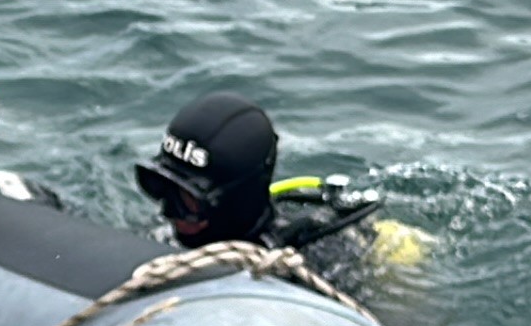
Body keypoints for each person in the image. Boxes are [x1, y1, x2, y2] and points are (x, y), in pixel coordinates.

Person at [134, 92, 384, 258]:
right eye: (160, 187)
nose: (167, 212)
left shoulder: (322, 256)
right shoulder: (160, 238)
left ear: (237, 200)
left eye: (190, 200)